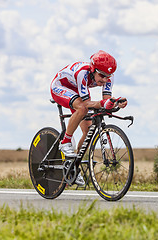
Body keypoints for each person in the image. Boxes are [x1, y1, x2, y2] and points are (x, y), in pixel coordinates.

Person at [50, 50, 127, 185]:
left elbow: (106, 100)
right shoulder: (83, 73)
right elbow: (86, 103)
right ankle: (65, 142)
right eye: (101, 76)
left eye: (107, 77)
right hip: (60, 86)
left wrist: (115, 103)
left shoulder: (108, 76)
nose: (104, 80)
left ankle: (74, 167)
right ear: (93, 69)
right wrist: (104, 104)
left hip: (77, 91)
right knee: (83, 108)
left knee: (87, 131)